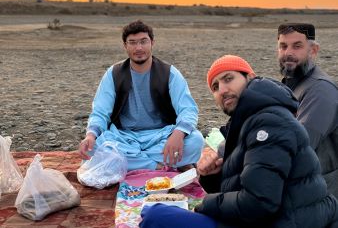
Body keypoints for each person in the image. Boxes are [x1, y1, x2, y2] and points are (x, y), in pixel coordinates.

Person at [140, 55, 338, 228]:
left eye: (228, 79)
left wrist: (204, 204)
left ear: (250, 78)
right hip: (272, 218)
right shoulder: (249, 122)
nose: (223, 89)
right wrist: (214, 175)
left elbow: (259, 203)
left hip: (285, 222)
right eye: (215, 87)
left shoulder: (268, 124)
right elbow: (248, 185)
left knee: (156, 216)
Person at [78, 20, 203, 171]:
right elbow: (100, 111)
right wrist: (91, 135)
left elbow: (188, 109)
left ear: (152, 43)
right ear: (125, 46)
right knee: (94, 148)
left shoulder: (170, 73)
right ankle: (157, 165)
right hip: (124, 136)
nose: (139, 48)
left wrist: (178, 134)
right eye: (132, 43)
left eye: (143, 42)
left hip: (161, 135)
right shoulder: (113, 74)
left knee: (195, 141)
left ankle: (133, 163)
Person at [277, 23, 338, 198]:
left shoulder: (320, 90)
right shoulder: (291, 85)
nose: (288, 53)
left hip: (321, 194)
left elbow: (300, 143)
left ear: (313, 50)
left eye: (297, 46)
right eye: (283, 46)